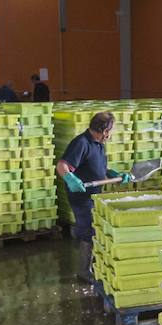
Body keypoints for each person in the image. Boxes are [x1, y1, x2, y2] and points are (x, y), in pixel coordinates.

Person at [58, 111, 123, 281]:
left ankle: (94, 264)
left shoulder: (98, 143)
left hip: (94, 194)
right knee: (88, 229)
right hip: (81, 196)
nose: (111, 134)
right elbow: (62, 166)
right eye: (111, 130)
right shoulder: (81, 143)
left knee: (93, 228)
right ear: (105, 131)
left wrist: (110, 174)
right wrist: (71, 179)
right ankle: (84, 271)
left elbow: (95, 167)